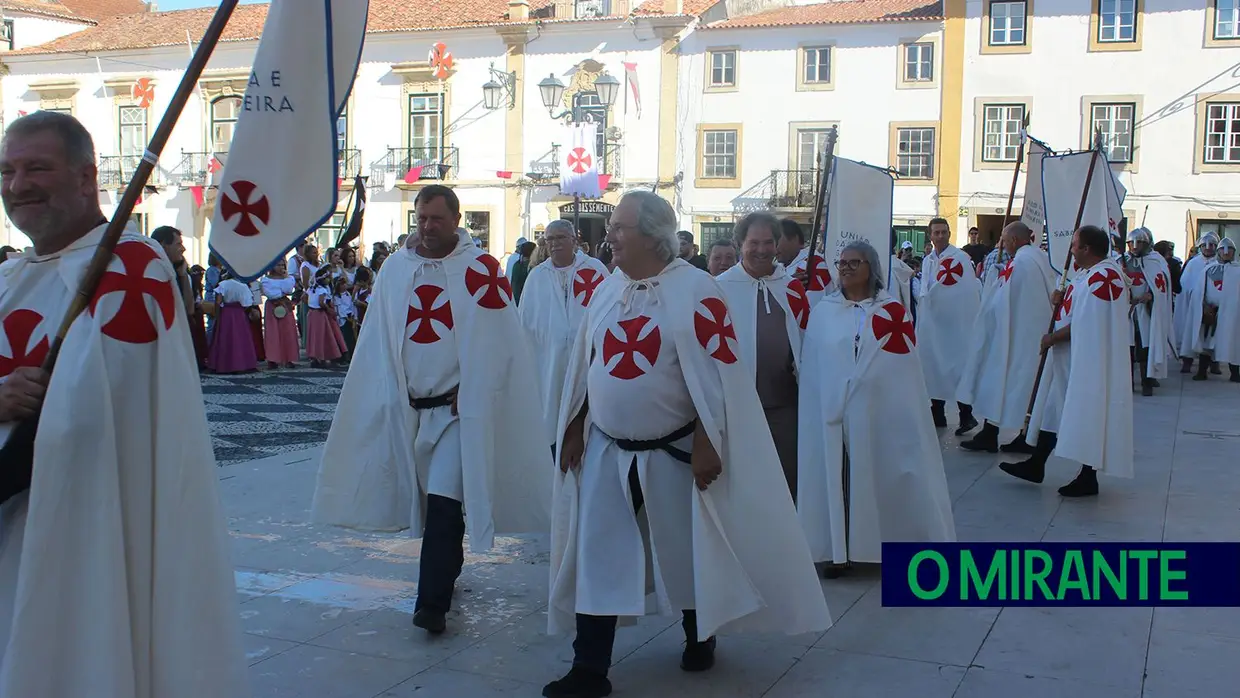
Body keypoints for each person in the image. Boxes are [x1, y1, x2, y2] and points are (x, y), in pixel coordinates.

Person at [544, 191, 830, 698]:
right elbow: (587, 366)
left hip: (675, 452)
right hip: (607, 450)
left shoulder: (697, 290)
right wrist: (574, 423)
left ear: (653, 235)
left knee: (689, 552)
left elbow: (717, 376)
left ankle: (700, 635)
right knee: (599, 552)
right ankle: (589, 668)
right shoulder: (609, 290)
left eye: (620, 227)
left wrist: (706, 439)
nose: (609, 235)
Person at [0, 110, 247, 695]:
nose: (18, 185)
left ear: (87, 179)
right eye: (7, 171)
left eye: (38, 167)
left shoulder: (132, 268)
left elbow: (100, 411)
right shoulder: (8, 279)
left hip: (87, 522)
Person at [312, 184, 551, 636]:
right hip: (409, 409)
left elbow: (503, 343)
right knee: (427, 503)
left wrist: (476, 388)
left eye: (436, 219)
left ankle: (431, 605)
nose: (427, 227)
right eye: (421, 218)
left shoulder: (481, 270)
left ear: (456, 220)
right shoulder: (397, 270)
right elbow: (379, 337)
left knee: (444, 502)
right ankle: (447, 574)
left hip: (457, 413)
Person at [797, 240, 956, 577]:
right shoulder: (825, 312)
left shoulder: (891, 311)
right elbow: (816, 366)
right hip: (832, 413)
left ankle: (883, 544)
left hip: (879, 412)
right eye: (843, 262)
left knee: (880, 473)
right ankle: (839, 551)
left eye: (855, 263)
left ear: (872, 269)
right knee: (837, 475)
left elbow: (901, 368)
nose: (846, 268)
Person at [1002, 225, 1133, 497]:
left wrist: (1053, 337)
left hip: (1087, 363)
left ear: (1086, 249)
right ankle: (1036, 465)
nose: (1071, 249)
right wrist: (1058, 302)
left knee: (1088, 413)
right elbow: (1075, 311)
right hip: (1068, 361)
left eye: (1074, 245)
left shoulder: (1106, 277)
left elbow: (1087, 324)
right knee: (1053, 409)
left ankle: (1088, 476)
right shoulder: (1088, 275)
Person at [716, 212, 809, 499]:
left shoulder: (791, 287)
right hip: (736, 407)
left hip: (785, 406)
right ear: (740, 243)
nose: (761, 249)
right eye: (753, 242)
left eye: (768, 242)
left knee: (786, 483)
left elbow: (807, 342)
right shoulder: (719, 288)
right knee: (743, 487)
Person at [957, 221, 1057, 453]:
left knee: (1005, 383)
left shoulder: (1023, 262)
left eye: (1004, 239)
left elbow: (1004, 299)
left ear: (1013, 240)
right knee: (1016, 386)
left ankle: (1006, 436)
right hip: (1027, 332)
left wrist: (994, 286)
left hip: (1014, 334)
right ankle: (1001, 433)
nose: (1002, 243)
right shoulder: (1036, 256)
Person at [517, 219, 610, 450]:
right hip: (548, 363)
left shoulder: (595, 270)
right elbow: (526, 323)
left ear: (573, 240)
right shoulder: (537, 276)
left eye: (560, 238)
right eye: (550, 239)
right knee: (551, 419)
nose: (555, 244)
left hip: (588, 361)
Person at [918, 217, 981, 433]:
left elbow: (965, 291)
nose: (940, 236)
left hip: (954, 325)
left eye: (944, 232)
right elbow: (926, 290)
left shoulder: (959, 258)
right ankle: (938, 413)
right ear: (930, 235)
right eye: (936, 232)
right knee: (932, 365)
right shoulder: (928, 261)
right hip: (932, 323)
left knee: (956, 367)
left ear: (949, 233)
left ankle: (966, 415)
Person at [1121, 227, 1173, 395]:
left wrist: (1150, 295)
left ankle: (1147, 382)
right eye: (1132, 244)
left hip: (1146, 312)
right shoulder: (1119, 261)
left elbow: (1161, 286)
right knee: (1127, 349)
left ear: (1146, 244)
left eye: (1139, 243)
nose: (1135, 247)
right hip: (1127, 311)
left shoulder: (1154, 262)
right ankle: (1127, 384)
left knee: (1145, 347)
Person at [1175, 233, 1219, 375]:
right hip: (1194, 306)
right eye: (1204, 245)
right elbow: (1185, 284)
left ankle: (1213, 363)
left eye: (1212, 245)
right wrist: (1196, 297)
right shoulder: (1193, 263)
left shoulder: (1219, 264)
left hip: (1213, 307)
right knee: (1191, 333)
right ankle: (1187, 361)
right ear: (1200, 247)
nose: (1208, 248)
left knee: (1212, 336)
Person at [1201, 237, 1240, 382]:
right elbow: (1201, 290)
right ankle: (1202, 371)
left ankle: (1235, 373)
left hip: (1232, 313)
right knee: (1207, 342)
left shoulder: (1238, 271)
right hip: (1213, 311)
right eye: (1223, 250)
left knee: (1233, 341)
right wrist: (1205, 306)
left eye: (1229, 249)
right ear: (1218, 251)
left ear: (1234, 252)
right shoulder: (1209, 269)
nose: (1226, 252)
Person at [260, 257, 300, 369]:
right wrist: (279, 293)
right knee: (273, 333)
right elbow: (269, 293)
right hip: (272, 305)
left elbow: (288, 290)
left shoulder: (288, 278)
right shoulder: (266, 279)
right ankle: (273, 359)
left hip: (285, 304)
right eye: (278, 265)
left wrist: (286, 278)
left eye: (283, 265)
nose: (281, 267)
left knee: (287, 331)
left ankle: (288, 358)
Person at [304, 265, 347, 368]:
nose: (329, 279)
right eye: (327, 278)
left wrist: (310, 304)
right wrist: (328, 309)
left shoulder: (311, 288)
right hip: (320, 314)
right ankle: (321, 357)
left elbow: (303, 297)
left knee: (313, 335)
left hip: (311, 313)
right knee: (321, 335)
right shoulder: (322, 290)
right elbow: (321, 302)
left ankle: (314, 357)